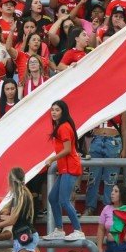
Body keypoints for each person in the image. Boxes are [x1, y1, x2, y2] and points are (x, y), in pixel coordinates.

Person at [43, 100, 85, 241]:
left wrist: (51, 160)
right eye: (52, 109)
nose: (53, 112)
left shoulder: (63, 127)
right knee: (52, 198)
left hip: (70, 167)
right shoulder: (60, 126)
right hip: (65, 168)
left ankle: (78, 230)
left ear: (63, 112)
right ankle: (59, 229)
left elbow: (67, 150)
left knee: (64, 200)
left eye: (57, 110)